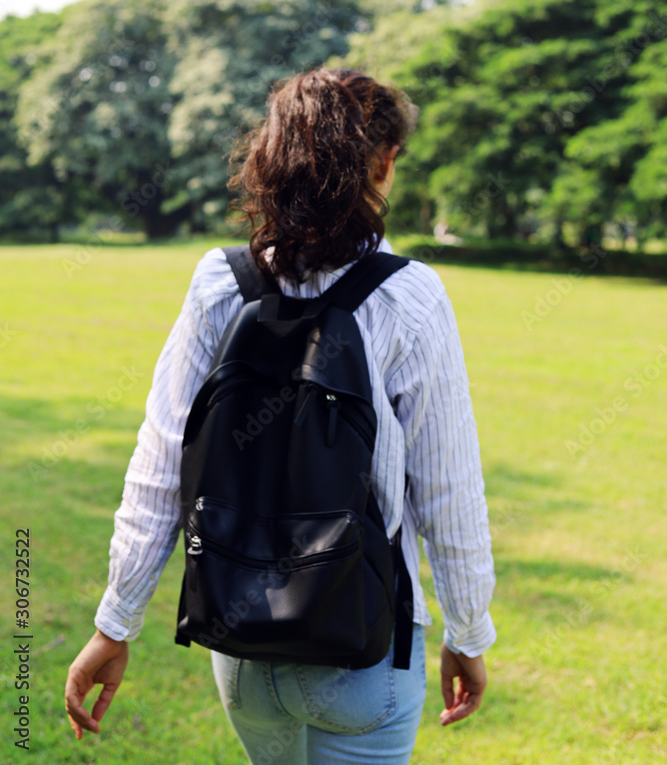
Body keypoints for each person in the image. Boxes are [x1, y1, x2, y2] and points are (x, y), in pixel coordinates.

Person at [65, 67, 496, 763]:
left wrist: (115, 623)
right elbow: (448, 490)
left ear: (271, 155)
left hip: (241, 642)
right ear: (383, 163)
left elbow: (161, 462)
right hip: (363, 645)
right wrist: (469, 633)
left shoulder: (219, 281)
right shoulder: (411, 297)